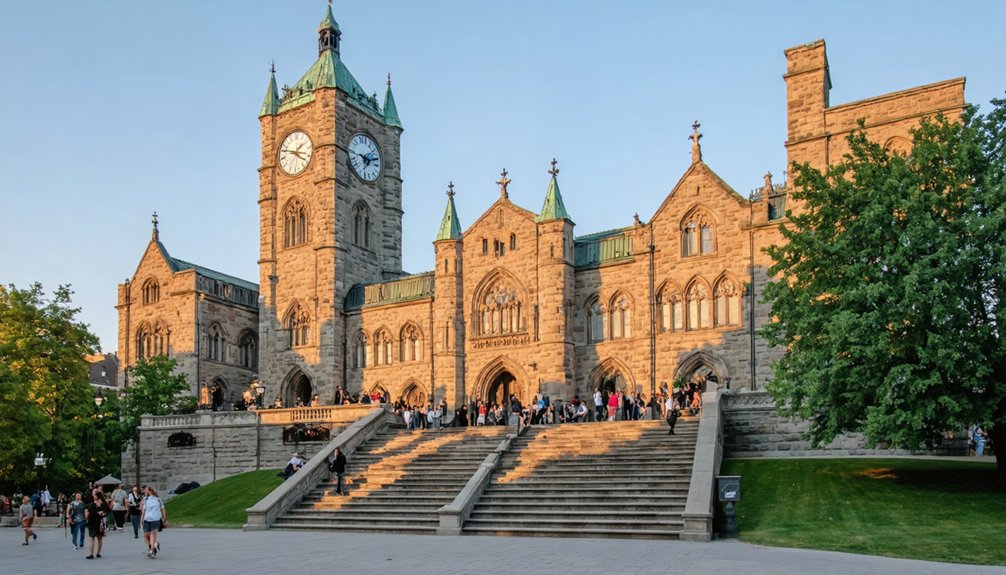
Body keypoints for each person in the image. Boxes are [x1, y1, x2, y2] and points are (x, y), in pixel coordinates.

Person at [141, 485, 166, 558]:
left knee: (152, 534)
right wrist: (142, 519)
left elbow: (163, 509)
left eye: (146, 489)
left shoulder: (158, 499)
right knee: (146, 535)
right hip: (147, 519)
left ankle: (152, 550)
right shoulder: (145, 499)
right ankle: (155, 543)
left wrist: (164, 518)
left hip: (156, 519)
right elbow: (144, 510)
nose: (145, 491)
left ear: (150, 491)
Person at [84, 490, 110, 559]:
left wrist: (86, 518)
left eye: (95, 495)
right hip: (100, 523)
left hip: (93, 523)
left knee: (91, 538)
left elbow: (88, 514)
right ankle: (98, 553)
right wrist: (103, 513)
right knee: (99, 538)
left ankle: (91, 554)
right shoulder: (104, 504)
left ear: (98, 496)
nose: (93, 496)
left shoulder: (92, 504)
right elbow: (108, 511)